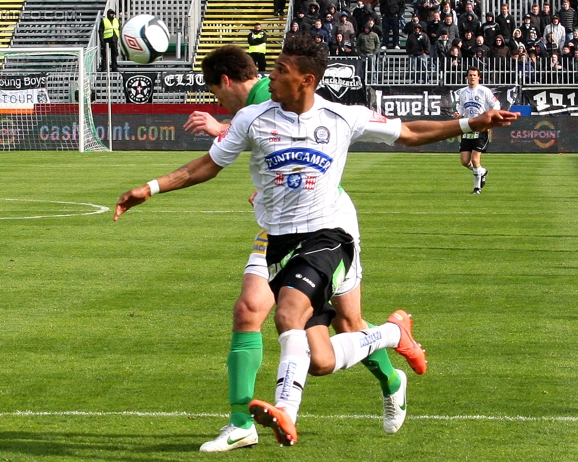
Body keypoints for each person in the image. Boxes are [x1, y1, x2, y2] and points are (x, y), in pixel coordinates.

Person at [116, 34, 518, 447]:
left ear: (306, 80)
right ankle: (392, 334)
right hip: (278, 240)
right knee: (323, 359)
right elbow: (207, 165)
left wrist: (471, 123)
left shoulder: (343, 117)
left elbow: (410, 132)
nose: (268, 77)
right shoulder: (252, 119)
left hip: (329, 234)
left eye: (280, 71)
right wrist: (150, 188)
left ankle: (282, 414)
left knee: (286, 312)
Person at [181, 44, 409, 452]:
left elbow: (306, 153)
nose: (219, 104)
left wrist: (224, 132)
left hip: (327, 222)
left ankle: (391, 373)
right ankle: (240, 423)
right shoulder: (256, 108)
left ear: (227, 82)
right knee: (249, 309)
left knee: (348, 324)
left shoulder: (277, 91)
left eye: (217, 95)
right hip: (278, 228)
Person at [453, 66, 501, 195]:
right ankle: (481, 171)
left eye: (474, 75)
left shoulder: (484, 91)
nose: (472, 77)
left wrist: (490, 116)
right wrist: (458, 113)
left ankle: (477, 188)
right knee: (464, 161)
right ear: (467, 77)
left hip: (481, 127)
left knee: (475, 160)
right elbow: (461, 108)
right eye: (470, 75)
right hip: (467, 126)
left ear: (478, 77)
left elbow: (496, 105)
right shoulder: (463, 92)